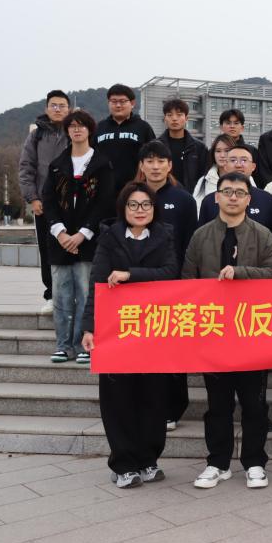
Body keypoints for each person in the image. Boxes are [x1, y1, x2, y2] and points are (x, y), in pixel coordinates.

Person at [183, 171, 272, 490]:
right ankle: (218, 462)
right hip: (213, 331)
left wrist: (241, 272)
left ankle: (254, 463)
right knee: (218, 404)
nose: (233, 197)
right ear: (216, 197)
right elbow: (187, 281)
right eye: (227, 191)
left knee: (254, 404)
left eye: (239, 193)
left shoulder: (262, 234)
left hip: (252, 331)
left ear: (248, 199)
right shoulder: (200, 236)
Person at [80, 182, 178, 488]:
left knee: (153, 397)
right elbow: (97, 282)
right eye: (133, 205)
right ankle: (123, 464)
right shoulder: (109, 238)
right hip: (117, 330)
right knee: (118, 398)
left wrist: (130, 275)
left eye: (145, 205)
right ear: (123, 208)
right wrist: (89, 327)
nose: (140, 210)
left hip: (153, 329)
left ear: (154, 208)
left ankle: (149, 460)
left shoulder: (165, 235)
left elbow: (170, 273)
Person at [134, 140, 199, 432]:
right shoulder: (132, 197)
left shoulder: (183, 200)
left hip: (174, 286)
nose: (155, 166)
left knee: (173, 350)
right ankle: (146, 405)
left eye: (161, 161)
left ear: (170, 165)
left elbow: (190, 244)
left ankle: (173, 408)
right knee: (144, 349)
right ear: (141, 166)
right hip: (139, 283)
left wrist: (187, 283)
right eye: (149, 161)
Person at [42, 110, 114, 365]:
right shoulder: (57, 165)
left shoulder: (102, 164)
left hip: (89, 241)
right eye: (72, 126)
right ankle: (63, 345)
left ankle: (85, 345)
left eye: (81, 125)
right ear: (67, 131)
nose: (76, 129)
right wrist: (60, 232)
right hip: (59, 241)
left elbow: (105, 202)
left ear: (90, 130)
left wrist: (82, 234)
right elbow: (49, 201)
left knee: (86, 294)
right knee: (61, 295)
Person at [19, 90, 71, 311]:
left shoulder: (76, 131)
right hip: (44, 204)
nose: (57, 109)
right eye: (53, 105)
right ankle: (51, 294)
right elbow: (26, 168)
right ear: (46, 108)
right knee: (47, 249)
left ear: (69, 109)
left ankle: (73, 295)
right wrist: (32, 197)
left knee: (74, 247)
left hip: (72, 203)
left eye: (62, 105)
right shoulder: (36, 135)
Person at [198, 143, 272, 231]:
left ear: (253, 167)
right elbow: (202, 236)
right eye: (233, 160)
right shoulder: (209, 201)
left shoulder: (267, 200)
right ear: (225, 166)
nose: (238, 165)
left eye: (244, 160)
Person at [94, 84, 156, 194]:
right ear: (108, 103)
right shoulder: (99, 127)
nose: (118, 105)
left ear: (132, 103)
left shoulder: (143, 127)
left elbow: (153, 155)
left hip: (135, 189)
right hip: (103, 189)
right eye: (114, 101)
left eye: (122, 101)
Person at [161, 98, 209, 190]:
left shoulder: (199, 148)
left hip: (191, 195)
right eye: (169, 115)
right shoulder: (156, 146)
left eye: (179, 115)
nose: (174, 119)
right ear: (165, 119)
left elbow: (205, 177)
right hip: (163, 194)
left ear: (186, 118)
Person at [191, 134, 236, 212]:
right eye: (218, 151)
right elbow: (197, 209)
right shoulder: (205, 180)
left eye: (227, 151)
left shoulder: (246, 178)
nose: (222, 155)